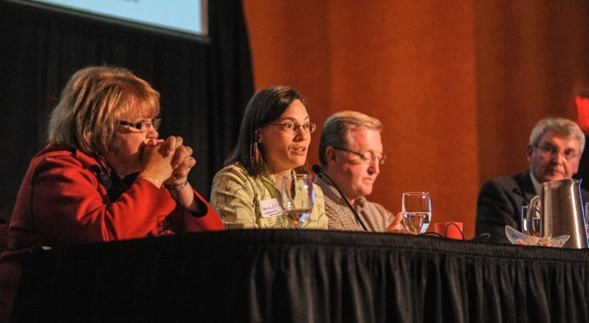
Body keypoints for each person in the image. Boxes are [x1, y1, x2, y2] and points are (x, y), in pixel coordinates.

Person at [0, 66, 224, 321]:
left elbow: (213, 246)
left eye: (154, 122)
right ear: (100, 128)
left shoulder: (134, 179)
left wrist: (179, 184)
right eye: (142, 124)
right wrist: (152, 177)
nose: (154, 134)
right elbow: (104, 241)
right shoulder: (56, 169)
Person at [210, 86, 328, 229]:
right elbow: (243, 247)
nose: (302, 136)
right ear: (258, 134)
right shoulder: (234, 181)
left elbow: (322, 249)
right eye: (289, 125)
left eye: (306, 125)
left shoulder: (313, 193)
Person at [476, 116, 589, 244]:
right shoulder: (500, 193)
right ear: (530, 153)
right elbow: (498, 250)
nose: (558, 160)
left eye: (568, 153)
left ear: (578, 162)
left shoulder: (585, 201)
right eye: (549, 149)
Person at [315, 110, 405, 232]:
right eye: (365, 156)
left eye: (378, 158)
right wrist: (385, 247)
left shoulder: (380, 215)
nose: (375, 170)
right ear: (332, 156)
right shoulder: (309, 210)